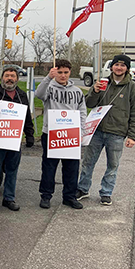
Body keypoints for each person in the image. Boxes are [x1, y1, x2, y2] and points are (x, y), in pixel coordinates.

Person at [76, 54, 135, 206]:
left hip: (117, 133)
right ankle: (83, 189)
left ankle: (106, 192)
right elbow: (89, 104)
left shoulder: (133, 88)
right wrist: (95, 91)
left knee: (112, 166)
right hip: (97, 130)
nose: (119, 68)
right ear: (112, 66)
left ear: (127, 68)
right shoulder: (102, 83)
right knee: (88, 162)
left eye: (123, 65)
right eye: (116, 64)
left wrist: (132, 136)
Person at [0, 67, 34, 212]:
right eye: (7, 75)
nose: (9, 78)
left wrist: (30, 134)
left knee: (12, 170)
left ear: (17, 79)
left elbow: (27, 116)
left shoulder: (22, 95)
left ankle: (9, 198)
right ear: (2, 78)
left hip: (14, 140)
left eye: (12, 76)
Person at [36, 59, 87, 210]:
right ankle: (46, 196)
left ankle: (69, 197)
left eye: (66, 72)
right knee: (49, 167)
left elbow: (82, 112)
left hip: (71, 134)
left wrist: (81, 131)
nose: (63, 75)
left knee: (72, 168)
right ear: (55, 72)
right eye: (60, 72)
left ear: (70, 72)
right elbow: (38, 94)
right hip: (51, 134)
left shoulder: (77, 91)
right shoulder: (49, 87)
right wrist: (48, 78)